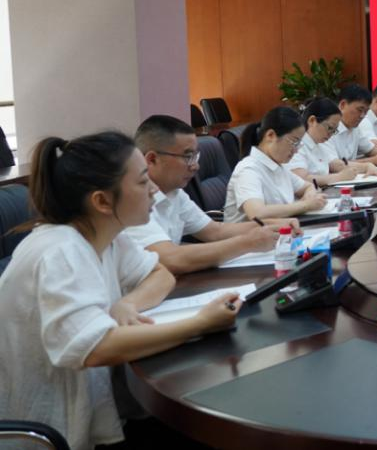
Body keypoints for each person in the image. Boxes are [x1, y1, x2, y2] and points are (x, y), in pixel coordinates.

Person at [0, 132, 239, 449]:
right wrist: (200, 324)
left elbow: (160, 274)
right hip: (57, 431)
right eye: (142, 182)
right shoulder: (60, 251)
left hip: (103, 404)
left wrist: (128, 304)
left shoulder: (107, 235)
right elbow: (96, 348)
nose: (154, 189)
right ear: (102, 201)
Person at [124, 115, 278, 275]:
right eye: (188, 157)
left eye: (196, 156)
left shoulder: (174, 192)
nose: (196, 166)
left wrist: (277, 226)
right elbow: (170, 259)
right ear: (152, 159)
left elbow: (215, 231)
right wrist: (248, 243)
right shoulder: (131, 200)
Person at [224, 106, 327, 224]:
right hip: (249, 235)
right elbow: (257, 213)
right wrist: (305, 205)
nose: (296, 150)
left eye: (298, 144)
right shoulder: (248, 169)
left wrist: (309, 195)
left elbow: (308, 186)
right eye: (294, 142)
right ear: (271, 135)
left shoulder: (278, 166)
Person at [289, 98, 377, 186]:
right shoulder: (297, 145)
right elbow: (301, 179)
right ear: (312, 121)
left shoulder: (319, 144)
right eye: (329, 128)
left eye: (334, 131)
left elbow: (335, 164)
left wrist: (366, 166)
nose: (330, 134)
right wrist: (338, 177)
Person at [327, 84, 377, 167]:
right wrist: (372, 161)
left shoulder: (355, 128)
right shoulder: (326, 128)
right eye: (360, 110)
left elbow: (371, 150)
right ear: (343, 105)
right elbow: (333, 165)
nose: (362, 116)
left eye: (366, 112)